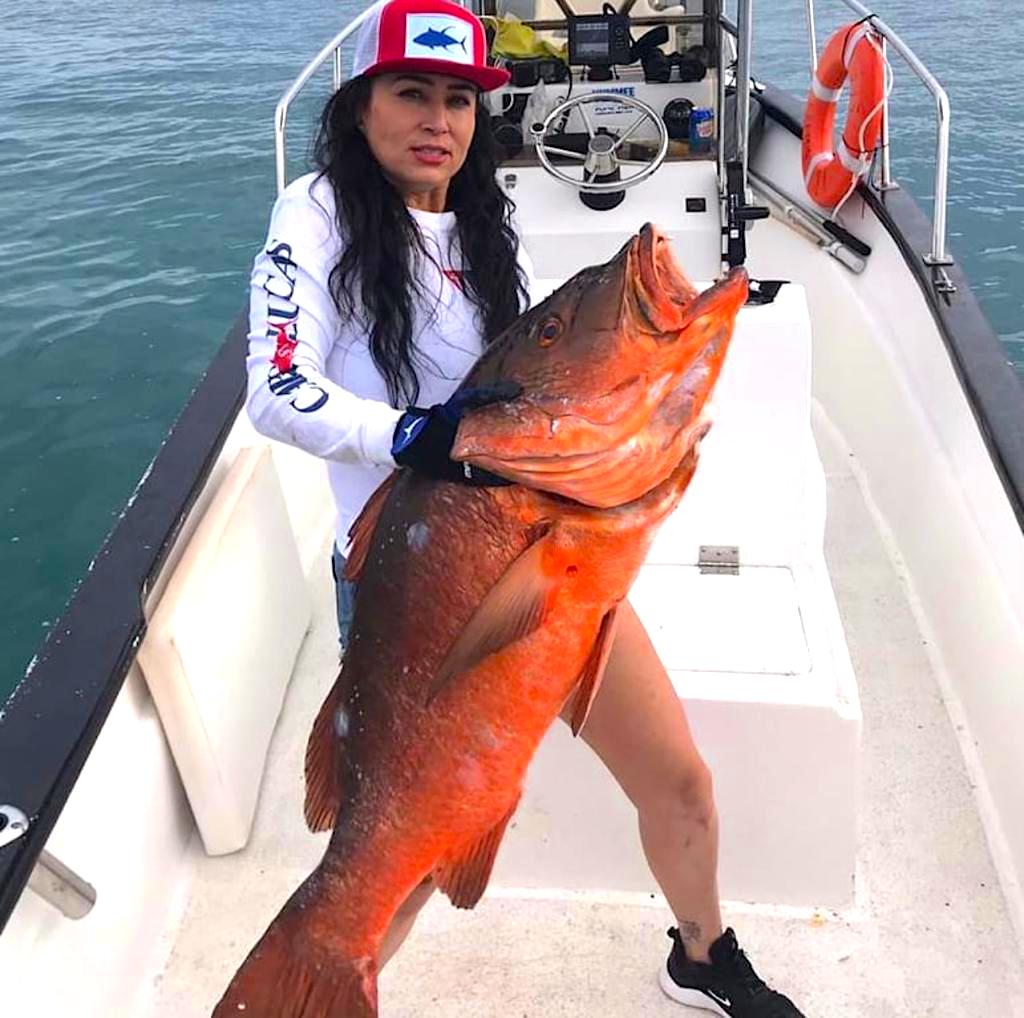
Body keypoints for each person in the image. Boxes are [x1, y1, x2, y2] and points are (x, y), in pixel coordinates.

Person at [246, 1, 806, 1015]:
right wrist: (412, 435)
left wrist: (646, 423)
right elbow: (275, 389)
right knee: (402, 859)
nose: (438, 121)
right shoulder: (315, 216)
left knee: (679, 780)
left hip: (551, 556)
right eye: (411, 92)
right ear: (360, 106)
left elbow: (530, 396)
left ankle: (701, 951)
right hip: (417, 587)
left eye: (458, 100)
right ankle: (327, 970)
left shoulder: (478, 218)